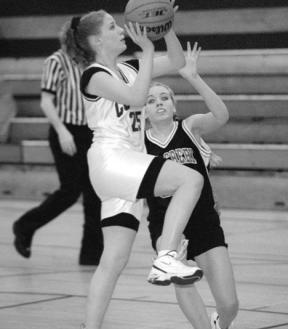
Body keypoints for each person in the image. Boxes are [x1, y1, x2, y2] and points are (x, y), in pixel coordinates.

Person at [69, 5, 206, 329]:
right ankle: (166, 257)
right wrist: (146, 50)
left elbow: (175, 62)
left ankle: (90, 326)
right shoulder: (94, 75)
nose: (121, 29)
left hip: (126, 168)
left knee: (113, 260)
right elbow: (136, 98)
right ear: (97, 40)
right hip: (113, 160)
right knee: (190, 179)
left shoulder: (130, 67)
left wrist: (164, 28)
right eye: (113, 27)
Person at [145, 42, 239, 329]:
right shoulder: (139, 144)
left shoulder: (189, 128)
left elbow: (221, 116)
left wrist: (193, 77)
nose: (159, 102)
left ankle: (218, 324)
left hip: (204, 221)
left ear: (174, 105)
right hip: (166, 224)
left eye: (164, 98)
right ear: (144, 111)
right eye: (151, 100)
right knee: (181, 280)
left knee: (229, 305)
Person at [12, 19, 103, 266]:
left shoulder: (91, 62)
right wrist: (63, 131)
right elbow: (46, 101)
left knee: (95, 194)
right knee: (70, 190)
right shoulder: (56, 61)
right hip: (66, 130)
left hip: (89, 132)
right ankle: (24, 225)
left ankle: (91, 256)